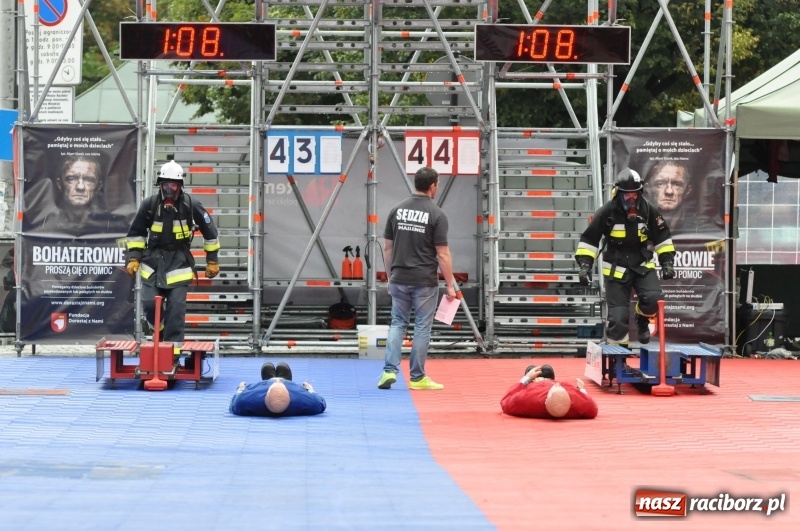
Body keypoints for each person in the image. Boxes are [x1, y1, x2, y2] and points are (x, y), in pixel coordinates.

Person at [125, 160, 221, 361]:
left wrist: (212, 261)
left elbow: (210, 232)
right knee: (150, 304)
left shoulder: (191, 205)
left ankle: (172, 354)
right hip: (152, 263)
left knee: (176, 309)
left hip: (179, 263)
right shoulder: (149, 205)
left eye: (174, 185)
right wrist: (134, 258)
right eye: (166, 185)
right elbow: (136, 234)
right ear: (160, 184)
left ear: (180, 186)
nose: (169, 189)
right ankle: (157, 329)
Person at [575, 167, 676, 345]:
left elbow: (663, 238)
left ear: (640, 193)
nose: (631, 199)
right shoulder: (607, 212)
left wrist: (667, 262)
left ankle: (642, 319)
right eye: (626, 195)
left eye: (634, 194)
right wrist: (585, 267)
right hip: (616, 266)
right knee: (618, 317)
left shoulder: (648, 211)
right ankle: (618, 361)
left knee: (654, 298)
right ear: (618, 194)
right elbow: (589, 240)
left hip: (641, 263)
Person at [378, 166, 456, 391]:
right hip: (424, 281)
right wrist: (450, 285)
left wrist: (390, 276)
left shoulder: (397, 210)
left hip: (400, 277)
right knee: (422, 327)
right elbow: (442, 253)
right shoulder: (437, 214)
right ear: (433, 186)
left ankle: (388, 372)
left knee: (397, 323)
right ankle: (417, 377)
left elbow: (387, 248)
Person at [36, 155, 124, 235]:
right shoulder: (44, 225)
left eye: (89, 180)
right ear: (60, 184)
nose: (80, 187)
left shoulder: (112, 227)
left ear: (98, 186)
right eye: (71, 179)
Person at [229, 362, 327, 417]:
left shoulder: (245, 401)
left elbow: (236, 399)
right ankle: (284, 379)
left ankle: (269, 379)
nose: (277, 381)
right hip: (288, 385)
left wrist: (241, 389)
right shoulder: (305, 401)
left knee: (267, 367)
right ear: (289, 395)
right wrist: (310, 390)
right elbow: (320, 402)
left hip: (266, 385)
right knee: (282, 367)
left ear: (266, 393)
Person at [500, 365, 598, 419]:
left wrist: (527, 378)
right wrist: (582, 390)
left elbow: (506, 400)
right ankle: (542, 376)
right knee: (545, 369)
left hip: (537, 385)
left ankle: (536, 374)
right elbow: (592, 407)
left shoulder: (526, 398)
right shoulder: (573, 396)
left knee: (535, 369)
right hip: (544, 384)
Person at [643, 160, 692, 231]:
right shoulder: (635, 224)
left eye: (677, 184)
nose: (669, 191)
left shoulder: (700, 227)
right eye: (660, 184)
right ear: (648, 189)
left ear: (687, 190)